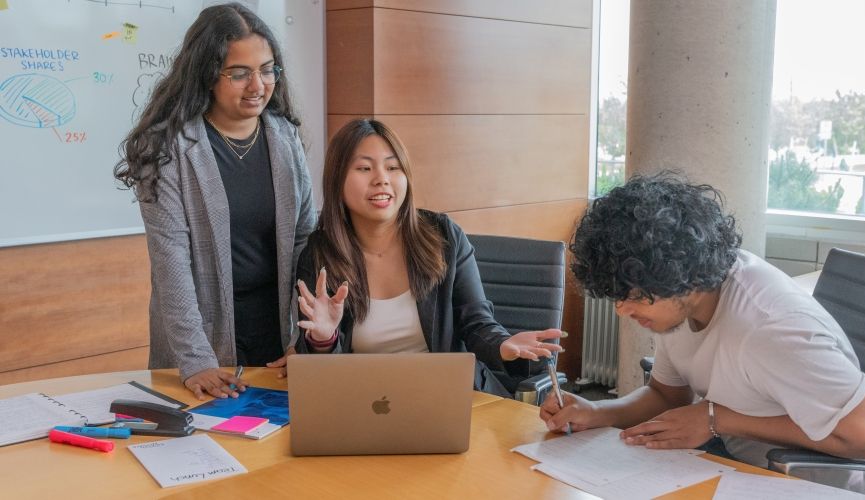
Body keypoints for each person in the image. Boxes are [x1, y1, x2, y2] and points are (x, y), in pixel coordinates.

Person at [540, 173, 865, 490]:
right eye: (617, 296)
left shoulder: (769, 327)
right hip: (728, 462)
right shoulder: (681, 303)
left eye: (633, 297)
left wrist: (715, 419)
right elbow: (667, 396)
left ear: (682, 275)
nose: (622, 310)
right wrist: (598, 412)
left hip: (799, 483)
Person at [114, 3, 316, 400]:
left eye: (267, 69)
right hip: (199, 338)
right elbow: (172, 262)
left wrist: (305, 339)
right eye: (239, 74)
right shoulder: (167, 148)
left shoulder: (285, 137)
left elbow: (305, 240)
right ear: (207, 74)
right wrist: (195, 359)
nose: (258, 85)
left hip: (276, 330)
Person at [291, 118, 563, 396]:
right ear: (337, 180)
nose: (381, 178)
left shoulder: (443, 236)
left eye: (393, 167)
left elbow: (477, 322)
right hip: (364, 402)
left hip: (450, 395)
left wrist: (503, 345)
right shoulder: (319, 254)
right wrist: (324, 338)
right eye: (364, 168)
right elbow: (319, 372)